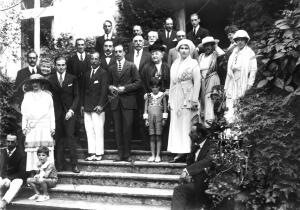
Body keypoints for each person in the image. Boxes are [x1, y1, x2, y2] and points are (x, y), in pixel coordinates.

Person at [168, 39, 201, 162]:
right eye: (182, 48)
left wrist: (194, 100)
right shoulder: (175, 63)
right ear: (178, 50)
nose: (184, 50)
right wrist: (171, 99)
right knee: (176, 124)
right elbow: (172, 83)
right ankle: (178, 151)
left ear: (190, 50)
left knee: (187, 124)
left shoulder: (193, 63)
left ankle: (189, 152)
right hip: (176, 96)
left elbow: (197, 82)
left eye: (186, 48)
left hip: (188, 95)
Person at [108, 44, 141, 162]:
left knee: (127, 128)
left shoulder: (131, 66)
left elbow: (138, 83)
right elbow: (108, 83)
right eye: (115, 52)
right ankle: (120, 154)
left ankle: (127, 154)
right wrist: (111, 87)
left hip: (128, 102)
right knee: (117, 129)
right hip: (116, 102)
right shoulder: (111, 68)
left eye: (119, 52)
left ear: (124, 53)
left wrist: (125, 88)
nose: (117, 54)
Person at [48, 56, 80, 173]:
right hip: (56, 114)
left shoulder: (72, 78)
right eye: (58, 65)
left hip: (69, 113)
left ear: (66, 66)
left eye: (63, 65)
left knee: (71, 138)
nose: (61, 67)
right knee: (59, 139)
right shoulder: (50, 79)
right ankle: (60, 165)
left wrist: (71, 110)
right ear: (55, 66)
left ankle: (74, 164)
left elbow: (77, 96)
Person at [171, 123, 212, 210]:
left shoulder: (210, 145)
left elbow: (207, 161)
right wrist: (188, 175)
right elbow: (190, 162)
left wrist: (187, 171)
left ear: (199, 135)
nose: (189, 134)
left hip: (206, 182)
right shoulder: (195, 145)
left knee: (179, 191)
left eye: (192, 132)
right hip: (194, 181)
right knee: (182, 189)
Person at [21, 74, 55, 172]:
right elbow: (25, 113)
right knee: (32, 150)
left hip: (45, 126)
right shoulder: (27, 96)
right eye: (33, 82)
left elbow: (51, 112)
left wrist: (52, 127)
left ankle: (46, 172)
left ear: (41, 83)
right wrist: (24, 127)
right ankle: (33, 172)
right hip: (32, 127)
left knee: (45, 149)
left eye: (37, 82)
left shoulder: (47, 96)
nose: (35, 84)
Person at [224, 30, 257, 123]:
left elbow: (253, 69)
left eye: (242, 40)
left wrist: (249, 84)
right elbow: (229, 71)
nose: (240, 42)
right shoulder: (234, 52)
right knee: (230, 102)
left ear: (246, 41)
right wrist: (226, 87)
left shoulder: (249, 53)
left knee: (239, 103)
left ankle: (238, 129)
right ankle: (229, 126)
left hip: (242, 80)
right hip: (232, 80)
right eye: (238, 40)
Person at [81, 52, 108, 161]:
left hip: (98, 107)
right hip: (87, 106)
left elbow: (104, 90)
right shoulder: (87, 74)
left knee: (98, 130)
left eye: (96, 59)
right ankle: (91, 152)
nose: (94, 61)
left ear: (99, 61)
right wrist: (82, 105)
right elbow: (83, 90)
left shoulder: (103, 73)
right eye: (92, 59)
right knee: (89, 130)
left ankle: (99, 153)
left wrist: (101, 105)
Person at [198, 36, 221, 126]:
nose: (207, 47)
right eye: (206, 46)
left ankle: (210, 124)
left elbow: (223, 55)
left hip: (212, 78)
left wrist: (216, 46)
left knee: (210, 100)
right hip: (202, 80)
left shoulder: (215, 55)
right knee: (202, 102)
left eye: (210, 45)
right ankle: (204, 127)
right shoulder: (201, 56)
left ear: (212, 46)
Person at [143, 78, 168, 162]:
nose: (155, 89)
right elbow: (145, 108)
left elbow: (165, 108)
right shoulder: (148, 96)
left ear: (159, 87)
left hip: (159, 119)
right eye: (153, 87)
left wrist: (164, 118)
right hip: (150, 119)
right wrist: (146, 119)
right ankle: (152, 155)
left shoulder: (162, 96)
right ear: (150, 87)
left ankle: (158, 155)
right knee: (152, 137)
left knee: (158, 137)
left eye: (157, 87)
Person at [0, 135, 26, 209]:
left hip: (15, 178)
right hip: (3, 177)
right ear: (6, 142)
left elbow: (22, 173)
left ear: (16, 143)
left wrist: (9, 179)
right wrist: (4, 178)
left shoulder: (22, 154)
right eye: (8, 141)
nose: (10, 144)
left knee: (18, 182)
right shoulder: (2, 152)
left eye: (12, 142)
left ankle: (3, 203)